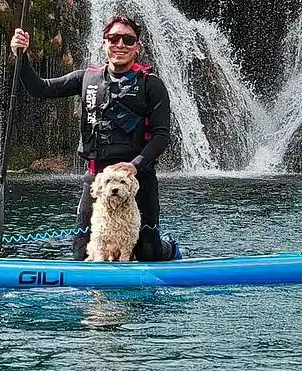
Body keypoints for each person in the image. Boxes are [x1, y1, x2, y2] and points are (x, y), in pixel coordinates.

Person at [10, 13, 179, 261]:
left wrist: (135, 165)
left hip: (137, 179)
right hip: (97, 180)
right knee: (82, 254)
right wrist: (21, 57)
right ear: (104, 43)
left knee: (148, 253)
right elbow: (40, 88)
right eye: (114, 38)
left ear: (137, 47)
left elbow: (162, 135)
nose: (120, 44)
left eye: (128, 40)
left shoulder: (151, 84)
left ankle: (169, 248)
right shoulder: (86, 78)